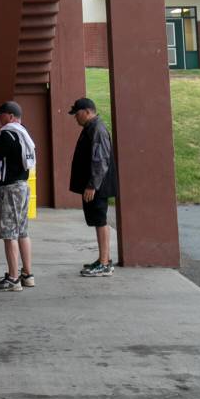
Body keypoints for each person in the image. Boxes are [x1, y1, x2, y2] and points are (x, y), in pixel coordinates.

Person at [0, 100, 36, 292]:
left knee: (9, 234)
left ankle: (13, 278)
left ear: (11, 116)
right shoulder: (24, 133)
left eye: (2, 114)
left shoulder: (7, 134)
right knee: (23, 232)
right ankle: (27, 274)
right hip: (23, 186)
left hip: (9, 189)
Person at [68, 97, 118, 277]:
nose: (75, 117)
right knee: (98, 221)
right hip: (95, 185)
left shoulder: (97, 129)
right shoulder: (91, 128)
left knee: (100, 221)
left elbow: (100, 159)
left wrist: (92, 185)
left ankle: (104, 264)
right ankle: (104, 259)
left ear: (87, 112)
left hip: (97, 186)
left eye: (77, 113)